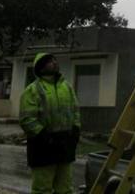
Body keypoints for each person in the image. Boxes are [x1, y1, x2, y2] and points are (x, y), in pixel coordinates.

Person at [19, 53, 81, 194]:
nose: (54, 63)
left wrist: (76, 129)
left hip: (65, 144)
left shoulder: (67, 87)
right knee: (42, 188)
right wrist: (43, 135)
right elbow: (27, 119)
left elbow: (76, 109)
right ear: (40, 68)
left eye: (54, 60)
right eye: (49, 61)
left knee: (65, 188)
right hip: (43, 146)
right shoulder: (33, 90)